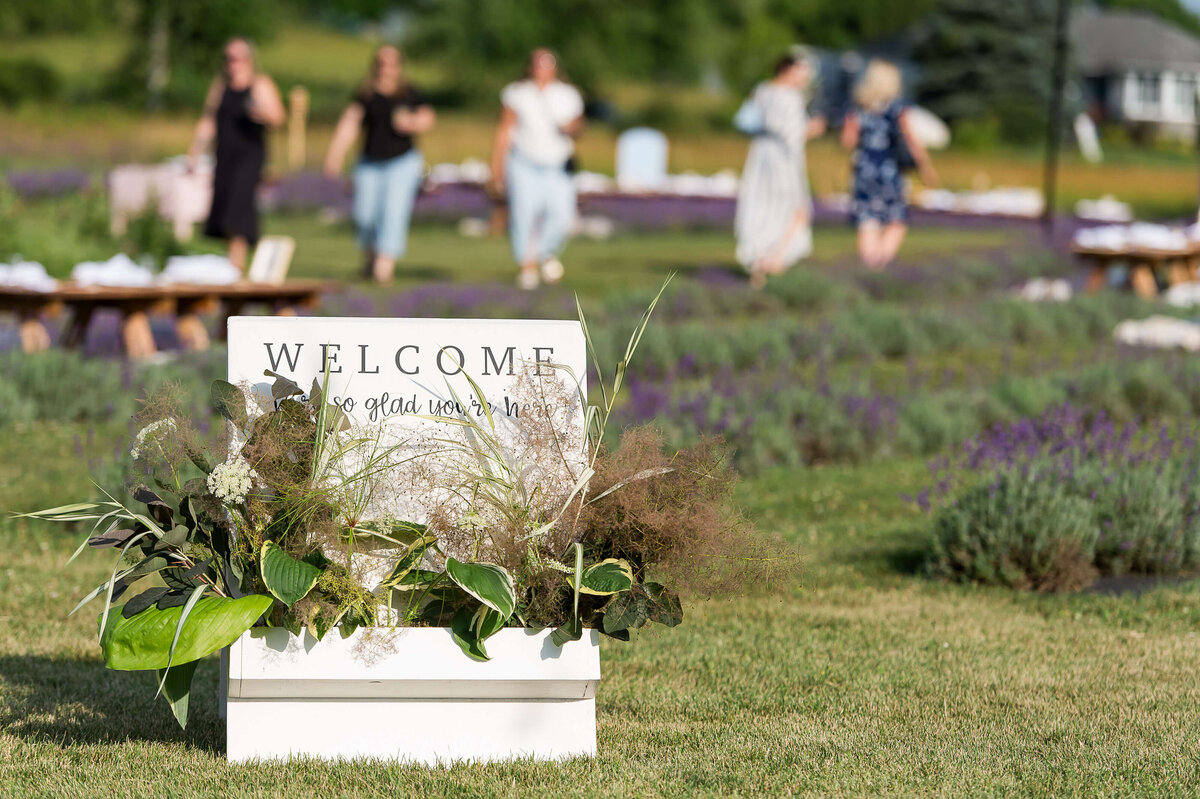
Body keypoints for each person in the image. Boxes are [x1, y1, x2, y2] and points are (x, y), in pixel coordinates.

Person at [323, 45, 435, 283]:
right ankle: (370, 258)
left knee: (393, 213)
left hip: (402, 162)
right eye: (382, 63)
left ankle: (383, 270)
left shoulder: (409, 92)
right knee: (365, 215)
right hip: (369, 163)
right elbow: (350, 124)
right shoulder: (366, 94)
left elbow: (428, 118)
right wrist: (335, 155)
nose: (386, 68)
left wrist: (412, 122)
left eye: (391, 63)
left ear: (399, 67)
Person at [188, 38, 286, 273]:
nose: (233, 63)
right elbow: (209, 120)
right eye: (229, 58)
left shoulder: (260, 84)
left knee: (238, 205)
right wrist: (194, 151)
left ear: (249, 60)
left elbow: (278, 117)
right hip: (224, 155)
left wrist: (263, 113)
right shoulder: (220, 86)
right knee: (224, 205)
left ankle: (236, 263)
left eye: (238, 58)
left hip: (249, 156)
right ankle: (232, 261)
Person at [490, 48, 584, 290]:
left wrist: (570, 128)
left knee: (562, 215)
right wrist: (496, 166)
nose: (542, 67)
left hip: (557, 163)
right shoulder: (517, 93)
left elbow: (579, 126)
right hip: (523, 162)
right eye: (537, 62)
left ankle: (545, 253)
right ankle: (527, 265)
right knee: (523, 213)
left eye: (547, 62)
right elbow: (505, 130)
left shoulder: (568, 94)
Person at [734, 47, 826, 289]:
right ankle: (775, 258)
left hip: (761, 157)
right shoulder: (790, 97)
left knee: (761, 206)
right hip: (784, 159)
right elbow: (792, 135)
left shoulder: (762, 90)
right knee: (794, 208)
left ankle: (759, 260)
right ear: (789, 70)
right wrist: (814, 128)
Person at [840, 59, 937, 270]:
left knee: (868, 221)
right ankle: (881, 264)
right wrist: (925, 167)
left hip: (864, 169)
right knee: (895, 220)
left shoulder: (857, 108)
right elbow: (911, 139)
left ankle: (868, 267)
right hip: (888, 169)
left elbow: (847, 142)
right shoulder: (896, 108)